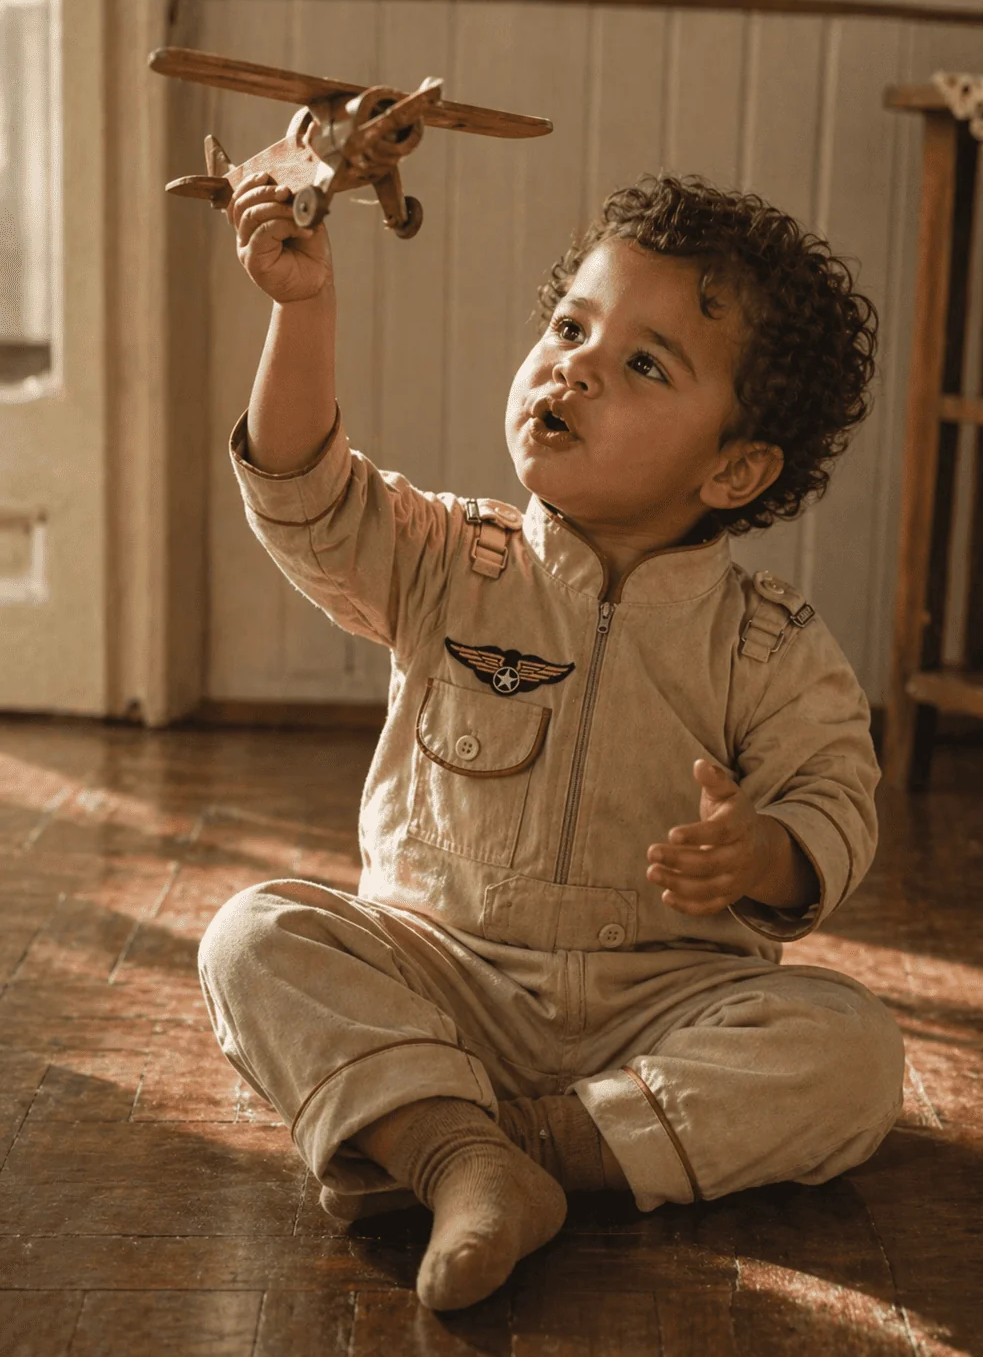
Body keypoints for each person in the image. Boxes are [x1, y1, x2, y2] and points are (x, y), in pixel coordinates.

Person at [198, 169, 905, 1312]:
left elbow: (836, 798)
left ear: (732, 468)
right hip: (441, 978)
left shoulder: (771, 644)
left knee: (855, 1052)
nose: (573, 364)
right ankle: (463, 1155)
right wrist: (303, 306)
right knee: (253, 933)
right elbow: (302, 491)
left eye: (643, 363)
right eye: (570, 325)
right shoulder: (447, 558)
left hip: (660, 1006)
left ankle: (496, 1149)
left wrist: (764, 849)